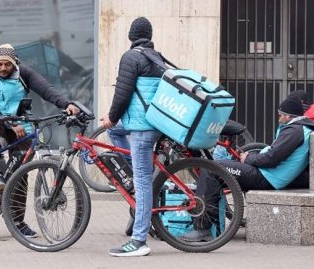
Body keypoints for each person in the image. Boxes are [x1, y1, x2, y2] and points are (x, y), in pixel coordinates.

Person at [0, 43, 80, 237]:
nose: (3, 69)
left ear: (14, 63)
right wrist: (9, 125)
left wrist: (67, 104)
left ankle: (17, 222)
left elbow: (47, 90)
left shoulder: (24, 74)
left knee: (21, 172)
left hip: (21, 125)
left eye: (7, 64)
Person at [180, 96, 314, 242]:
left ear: (289, 116)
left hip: (266, 177)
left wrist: (248, 158)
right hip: (268, 174)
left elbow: (272, 159)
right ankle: (210, 224)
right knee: (218, 168)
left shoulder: (294, 131)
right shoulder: (299, 129)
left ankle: (202, 229)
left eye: (280, 114)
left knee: (213, 169)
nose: (279, 117)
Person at [102, 17, 166, 257]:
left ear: (130, 35)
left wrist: (111, 115)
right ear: (149, 35)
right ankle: (131, 171)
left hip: (141, 128)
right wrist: (114, 123)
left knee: (142, 181)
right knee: (113, 131)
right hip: (154, 123)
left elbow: (123, 92)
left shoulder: (131, 57)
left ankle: (139, 240)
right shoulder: (156, 56)